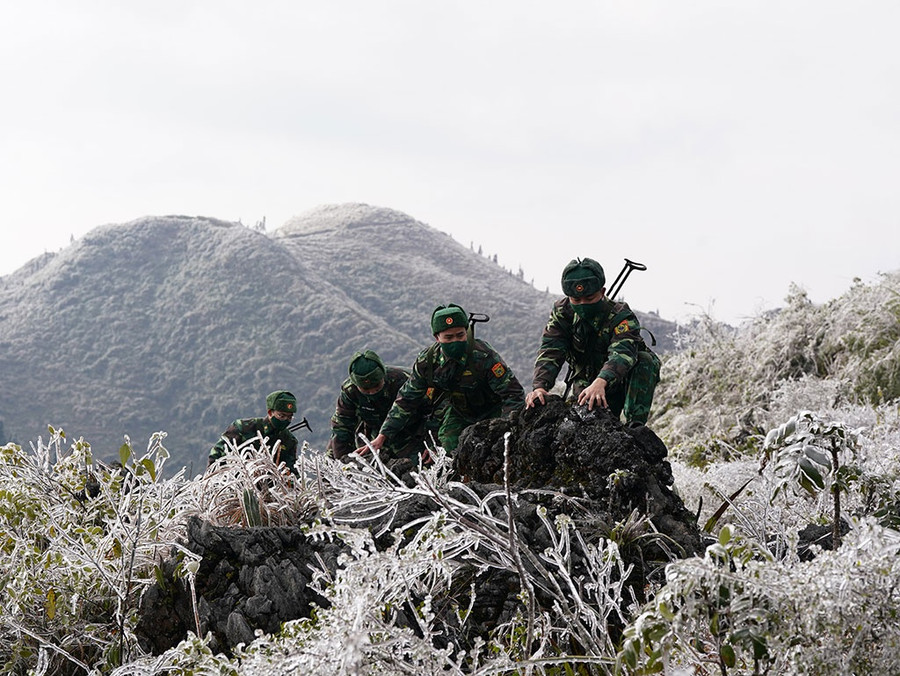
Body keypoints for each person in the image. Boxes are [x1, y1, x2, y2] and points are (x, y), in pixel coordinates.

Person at [365, 303, 525, 454]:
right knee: (447, 448)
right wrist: (383, 436)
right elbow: (407, 399)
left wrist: (506, 425)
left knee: (499, 448)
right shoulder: (428, 362)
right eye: (448, 337)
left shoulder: (483, 356)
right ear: (437, 338)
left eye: (460, 335)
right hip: (460, 413)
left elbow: (513, 393)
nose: (455, 341)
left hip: (494, 410)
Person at [525, 257, 660, 426]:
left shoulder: (621, 315)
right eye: (576, 300)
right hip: (586, 380)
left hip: (621, 380)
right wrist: (540, 387)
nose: (582, 304)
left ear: (602, 292)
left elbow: (622, 354)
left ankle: (635, 426)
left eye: (589, 299)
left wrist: (601, 381)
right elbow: (551, 350)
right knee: (587, 423)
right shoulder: (562, 313)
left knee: (645, 360)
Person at [327, 350, 425, 461]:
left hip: (413, 433)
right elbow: (342, 426)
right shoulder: (350, 391)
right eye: (365, 390)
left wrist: (431, 443)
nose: (372, 392)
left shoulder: (404, 381)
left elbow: (432, 411)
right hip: (373, 436)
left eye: (377, 386)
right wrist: (344, 461)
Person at [208, 390, 300, 471]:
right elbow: (218, 455)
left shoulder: (289, 440)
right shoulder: (243, 428)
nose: (285, 420)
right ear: (270, 413)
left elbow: (291, 471)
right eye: (281, 416)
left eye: (289, 417)